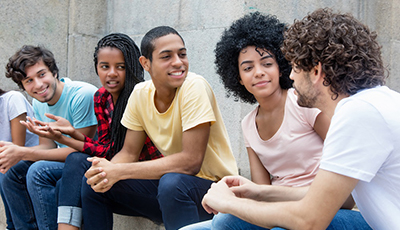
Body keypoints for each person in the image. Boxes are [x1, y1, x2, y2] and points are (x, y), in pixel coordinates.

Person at [200, 8, 400, 230]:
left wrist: (227, 203)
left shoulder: (359, 114)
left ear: (316, 71)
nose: (291, 76)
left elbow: (310, 220)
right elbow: (318, 198)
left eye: (295, 67)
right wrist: (259, 191)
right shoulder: (371, 105)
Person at [81, 26, 238, 230]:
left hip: (215, 190)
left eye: (182, 54)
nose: (178, 62)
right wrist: (107, 171)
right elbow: (128, 153)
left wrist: (119, 170)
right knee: (95, 184)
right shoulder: (140, 93)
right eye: (166, 56)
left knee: (172, 183)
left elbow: (191, 162)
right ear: (145, 63)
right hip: (173, 191)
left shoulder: (194, 86)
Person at [26, 33, 163, 230]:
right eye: (105, 66)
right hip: (123, 179)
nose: (112, 73)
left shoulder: (140, 96)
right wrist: (69, 135)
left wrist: (102, 169)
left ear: (132, 66)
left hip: (151, 183)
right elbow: (105, 149)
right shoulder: (101, 97)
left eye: (120, 67)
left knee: (88, 179)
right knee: (76, 164)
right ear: (97, 68)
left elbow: (128, 155)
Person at [1, 45, 98, 230]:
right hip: (65, 159)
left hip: (88, 160)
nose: (37, 84)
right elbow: (48, 147)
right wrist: (12, 152)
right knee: (11, 173)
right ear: (23, 86)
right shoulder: (39, 102)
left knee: (38, 171)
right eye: (28, 80)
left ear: (53, 72)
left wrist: (22, 153)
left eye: (41, 74)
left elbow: (80, 151)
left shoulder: (81, 95)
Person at [0, 88, 39, 230]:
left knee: (5, 169)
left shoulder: (12, 99)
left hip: (37, 156)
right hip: (12, 162)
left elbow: (17, 147)